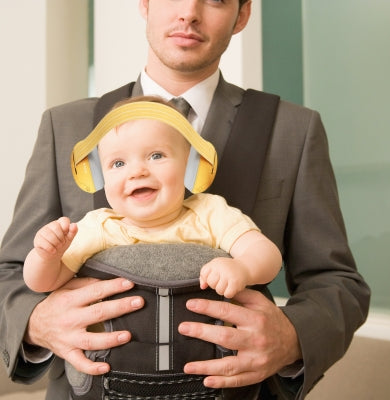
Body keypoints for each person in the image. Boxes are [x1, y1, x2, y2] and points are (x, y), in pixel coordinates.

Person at [0, 1, 370, 399]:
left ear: (242, 15)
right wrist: (38, 320)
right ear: (144, 3)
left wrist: (291, 337)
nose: (189, 13)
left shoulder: (292, 130)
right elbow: (12, 270)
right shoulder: (66, 125)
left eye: (215, 0)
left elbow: (337, 282)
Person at [23, 96, 282, 299]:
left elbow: (266, 255)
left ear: (188, 166)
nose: (137, 171)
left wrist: (244, 269)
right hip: (115, 359)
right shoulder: (98, 227)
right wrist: (46, 257)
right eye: (118, 163)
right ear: (101, 176)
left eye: (156, 156)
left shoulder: (210, 213)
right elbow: (42, 283)